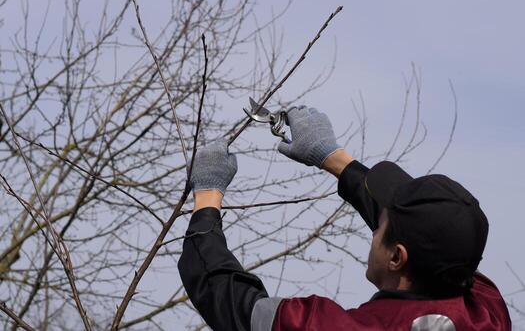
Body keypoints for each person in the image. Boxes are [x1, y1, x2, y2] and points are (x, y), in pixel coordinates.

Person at [178, 106, 511, 330]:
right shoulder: (488, 311)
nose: (375, 228)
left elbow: (225, 296)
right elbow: (436, 231)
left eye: (380, 227)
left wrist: (207, 195)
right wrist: (333, 158)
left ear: (396, 256)